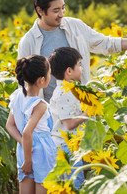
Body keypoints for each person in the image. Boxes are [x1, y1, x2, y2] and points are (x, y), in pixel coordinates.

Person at [18, 0, 127, 102]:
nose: (62, 14)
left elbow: (108, 44)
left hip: (82, 105)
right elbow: (24, 86)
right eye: (56, 10)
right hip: (49, 114)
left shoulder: (75, 26)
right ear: (40, 10)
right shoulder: (28, 42)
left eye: (63, 8)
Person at [6, 55, 56, 194]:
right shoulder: (39, 105)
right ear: (42, 80)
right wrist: (28, 161)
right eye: (49, 73)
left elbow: (10, 125)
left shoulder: (16, 97)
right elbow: (28, 132)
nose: (50, 76)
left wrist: (23, 144)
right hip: (42, 152)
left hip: (24, 149)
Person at [48, 47, 87, 188]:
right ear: (69, 71)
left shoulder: (69, 90)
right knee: (74, 183)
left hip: (67, 144)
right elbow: (69, 124)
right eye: (79, 65)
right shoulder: (65, 93)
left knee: (72, 182)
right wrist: (88, 113)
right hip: (65, 146)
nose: (82, 68)